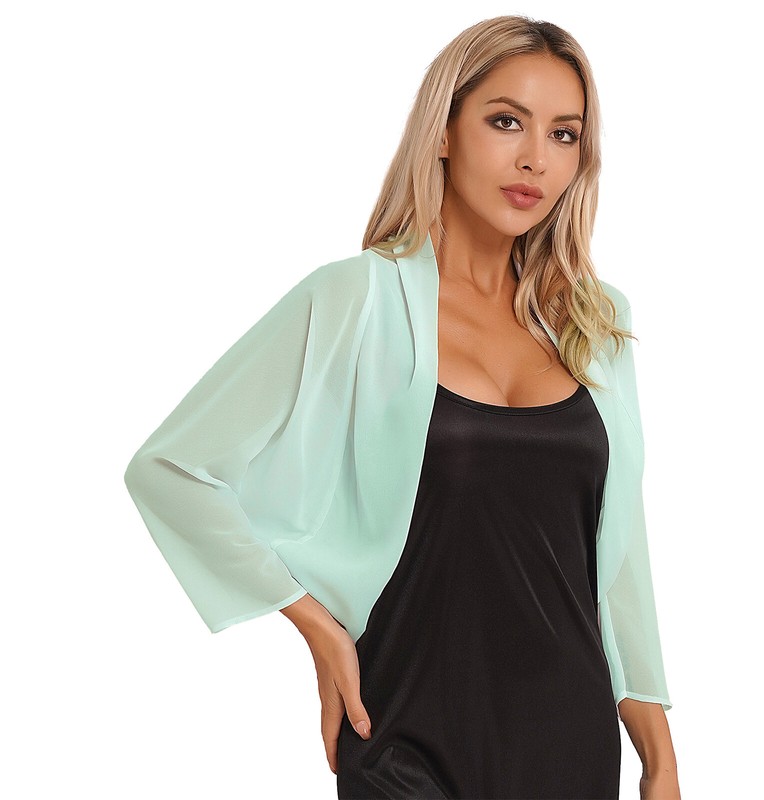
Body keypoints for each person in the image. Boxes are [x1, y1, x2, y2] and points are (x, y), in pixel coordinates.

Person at [124, 14, 680, 800]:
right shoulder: (358, 300)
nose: (535, 157)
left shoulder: (595, 322)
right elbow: (170, 469)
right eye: (506, 121)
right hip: (401, 737)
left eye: (564, 134)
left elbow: (618, 555)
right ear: (443, 131)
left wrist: (659, 756)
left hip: (568, 738)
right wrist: (314, 623)